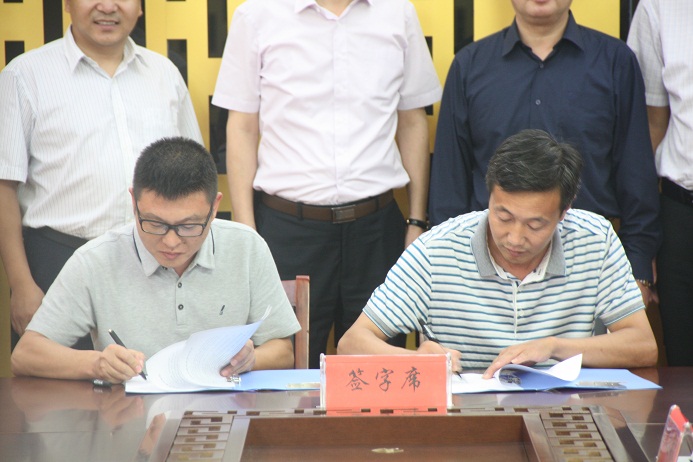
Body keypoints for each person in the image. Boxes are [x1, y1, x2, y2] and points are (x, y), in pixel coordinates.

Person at [211, 0, 441, 368]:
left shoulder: (397, 12)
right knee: (286, 366)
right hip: (288, 231)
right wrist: (248, 232)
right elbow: (242, 127)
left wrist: (416, 220)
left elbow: (412, 121)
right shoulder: (256, 14)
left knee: (381, 371)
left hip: (376, 230)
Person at [338, 129, 658, 378]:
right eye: (503, 217)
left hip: (565, 415)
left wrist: (553, 347)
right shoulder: (436, 250)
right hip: (466, 418)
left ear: (564, 212)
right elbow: (351, 343)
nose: (515, 238)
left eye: (535, 224)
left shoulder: (595, 240)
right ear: (488, 196)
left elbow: (643, 346)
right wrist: (415, 360)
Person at [428, 0, 661, 306]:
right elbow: (449, 182)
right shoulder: (469, 66)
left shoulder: (615, 61)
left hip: (591, 266)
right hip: (489, 267)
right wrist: (450, 271)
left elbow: (636, 173)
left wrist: (638, 270)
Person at [0, 0, 203, 350]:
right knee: (55, 381)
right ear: (67, 4)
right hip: (58, 261)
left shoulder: (164, 74)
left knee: (153, 377)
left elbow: (194, 175)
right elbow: (5, 184)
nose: (107, 6)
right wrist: (21, 285)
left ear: (140, 7)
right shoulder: (25, 75)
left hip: (155, 263)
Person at [11, 137, 300, 382]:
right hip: (130, 417)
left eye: (189, 226)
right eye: (155, 223)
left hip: (224, 411)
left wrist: (252, 359)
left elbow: (283, 351)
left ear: (215, 208)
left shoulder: (247, 247)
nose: (171, 242)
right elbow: (25, 355)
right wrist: (97, 364)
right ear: (134, 203)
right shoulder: (96, 260)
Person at [627, 0, 693, 366]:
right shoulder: (660, 7)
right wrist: (646, 241)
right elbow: (651, 123)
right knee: (683, 361)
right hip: (681, 212)